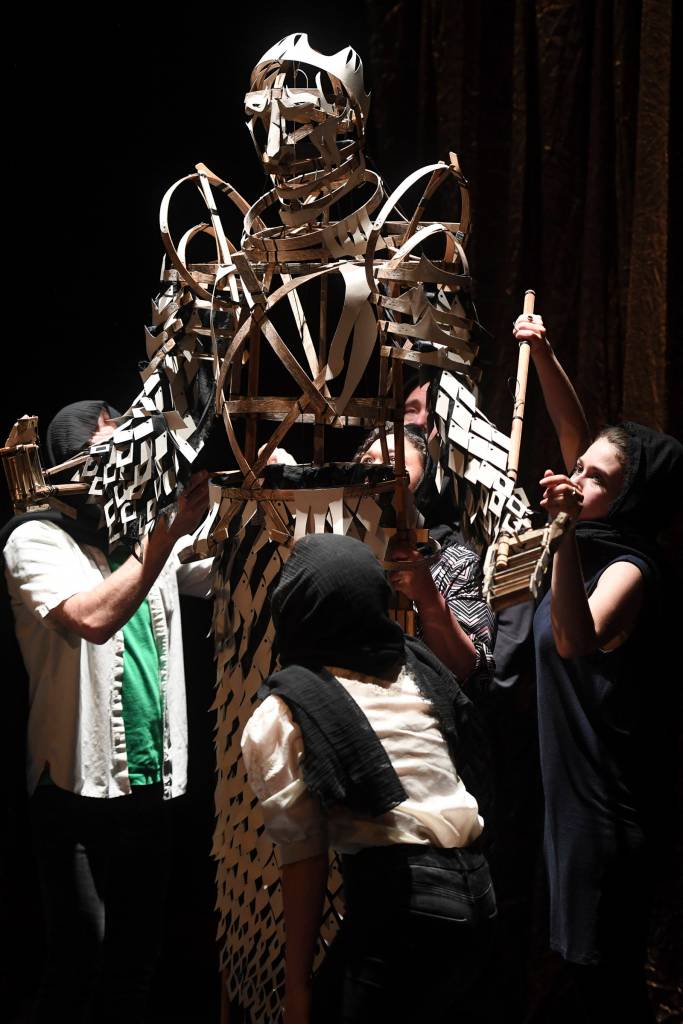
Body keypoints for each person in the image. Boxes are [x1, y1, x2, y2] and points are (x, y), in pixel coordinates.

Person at [2, 400, 212, 1023]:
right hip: (73, 791)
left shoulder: (145, 533)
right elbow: (93, 618)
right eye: (119, 457)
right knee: (78, 963)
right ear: (84, 467)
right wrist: (165, 537)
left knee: (135, 966)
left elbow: (227, 566)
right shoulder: (34, 538)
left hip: (150, 786)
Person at [241, 533, 497, 1024]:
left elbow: (304, 854)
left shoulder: (288, 708)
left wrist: (297, 991)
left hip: (405, 908)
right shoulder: (415, 665)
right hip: (480, 896)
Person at [514, 315, 683, 1022]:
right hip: (564, 803)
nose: (573, 477)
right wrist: (544, 351)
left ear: (629, 497)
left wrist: (557, 541)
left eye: (593, 478)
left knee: (602, 993)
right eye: (576, 471)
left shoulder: (627, 565)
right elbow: (570, 427)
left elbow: (574, 641)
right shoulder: (595, 532)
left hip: (603, 816)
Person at [354, 424, 495, 689]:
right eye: (367, 461)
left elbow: (470, 671)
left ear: (426, 481)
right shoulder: (343, 549)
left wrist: (428, 596)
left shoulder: (456, 563)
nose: (376, 471)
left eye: (394, 461)